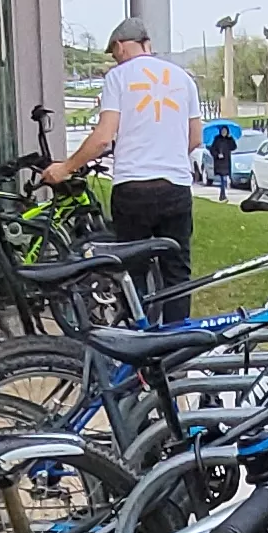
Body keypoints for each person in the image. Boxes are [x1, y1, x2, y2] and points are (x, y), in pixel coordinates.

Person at [41, 17, 200, 315]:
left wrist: (66, 168)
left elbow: (103, 138)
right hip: (176, 188)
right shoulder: (183, 78)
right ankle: (178, 348)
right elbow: (195, 137)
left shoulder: (118, 77)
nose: (115, 58)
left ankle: (142, 348)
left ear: (119, 46)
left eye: (114, 53)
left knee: (133, 273)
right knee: (177, 274)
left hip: (133, 189)